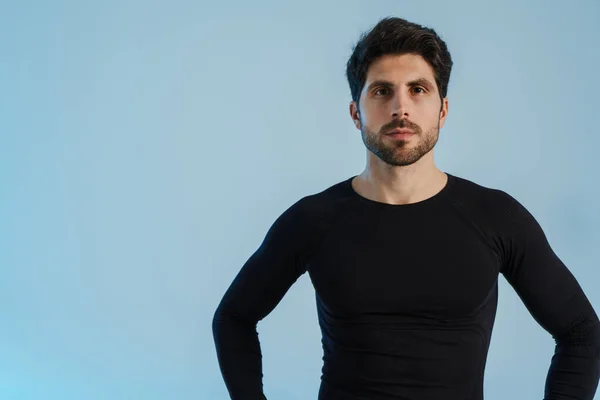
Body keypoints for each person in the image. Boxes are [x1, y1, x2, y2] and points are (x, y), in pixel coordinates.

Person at [212, 16, 600, 399]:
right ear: (355, 113)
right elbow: (234, 319)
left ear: (442, 110)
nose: (401, 107)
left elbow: (582, 331)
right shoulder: (313, 220)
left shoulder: (495, 217)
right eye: (382, 91)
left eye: (418, 90)